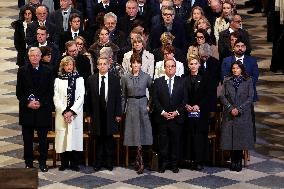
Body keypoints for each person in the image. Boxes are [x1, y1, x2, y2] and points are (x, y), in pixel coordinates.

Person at [16, 47, 54, 172]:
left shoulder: (48, 71)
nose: (35, 58)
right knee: (27, 139)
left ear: (40, 57)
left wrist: (41, 102)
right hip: (27, 111)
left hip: (42, 111)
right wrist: (28, 103)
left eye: (37, 55)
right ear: (28, 57)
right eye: (32, 56)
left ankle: (42, 163)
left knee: (43, 140)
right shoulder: (22, 71)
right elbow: (19, 92)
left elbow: (50, 92)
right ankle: (28, 162)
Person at [86, 57, 122, 172]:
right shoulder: (91, 79)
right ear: (97, 66)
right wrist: (88, 114)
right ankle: (98, 162)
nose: (102, 66)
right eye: (100, 64)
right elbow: (88, 99)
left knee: (109, 138)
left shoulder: (115, 79)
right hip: (96, 113)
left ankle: (109, 162)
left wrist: (118, 113)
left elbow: (118, 98)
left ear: (108, 66)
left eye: (104, 64)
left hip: (110, 113)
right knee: (98, 138)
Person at [220, 61, 254, 172]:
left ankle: (238, 161)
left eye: (237, 68)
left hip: (242, 114)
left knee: (240, 138)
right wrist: (230, 108)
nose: (235, 70)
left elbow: (250, 98)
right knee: (231, 137)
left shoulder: (248, 80)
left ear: (242, 69)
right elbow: (222, 96)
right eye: (233, 68)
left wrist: (239, 109)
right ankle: (233, 161)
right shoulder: (226, 80)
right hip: (230, 113)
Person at [121, 53, 153, 174]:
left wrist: (149, 105)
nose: (136, 65)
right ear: (131, 64)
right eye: (134, 62)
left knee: (144, 132)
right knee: (133, 132)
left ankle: (141, 160)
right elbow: (123, 95)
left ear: (140, 64)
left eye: (138, 62)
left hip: (143, 104)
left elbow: (153, 92)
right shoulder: (125, 77)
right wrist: (122, 110)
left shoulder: (146, 77)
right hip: (131, 105)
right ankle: (138, 159)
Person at [152, 58, 185, 173]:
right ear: (164, 68)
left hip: (176, 118)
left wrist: (176, 112)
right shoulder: (158, 81)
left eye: (172, 66)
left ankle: (174, 163)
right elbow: (155, 99)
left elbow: (184, 100)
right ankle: (164, 163)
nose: (170, 68)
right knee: (163, 142)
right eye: (168, 66)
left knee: (175, 142)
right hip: (162, 118)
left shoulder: (182, 81)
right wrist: (163, 112)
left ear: (175, 68)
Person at [53, 56, 84, 171]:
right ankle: (64, 163)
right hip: (62, 115)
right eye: (66, 65)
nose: (69, 67)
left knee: (74, 138)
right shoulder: (58, 80)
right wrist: (64, 112)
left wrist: (71, 112)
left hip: (75, 115)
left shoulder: (80, 79)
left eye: (70, 64)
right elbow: (56, 98)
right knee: (63, 138)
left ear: (73, 66)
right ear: (63, 67)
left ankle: (75, 163)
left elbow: (81, 97)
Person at [184, 54, 211, 171]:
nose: (193, 66)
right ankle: (191, 160)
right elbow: (182, 95)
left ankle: (200, 160)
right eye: (191, 64)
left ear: (199, 64)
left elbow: (207, 96)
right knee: (189, 136)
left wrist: (198, 105)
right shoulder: (184, 79)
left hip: (201, 112)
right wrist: (186, 105)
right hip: (188, 112)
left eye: (195, 63)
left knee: (200, 136)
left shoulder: (205, 78)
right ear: (188, 65)